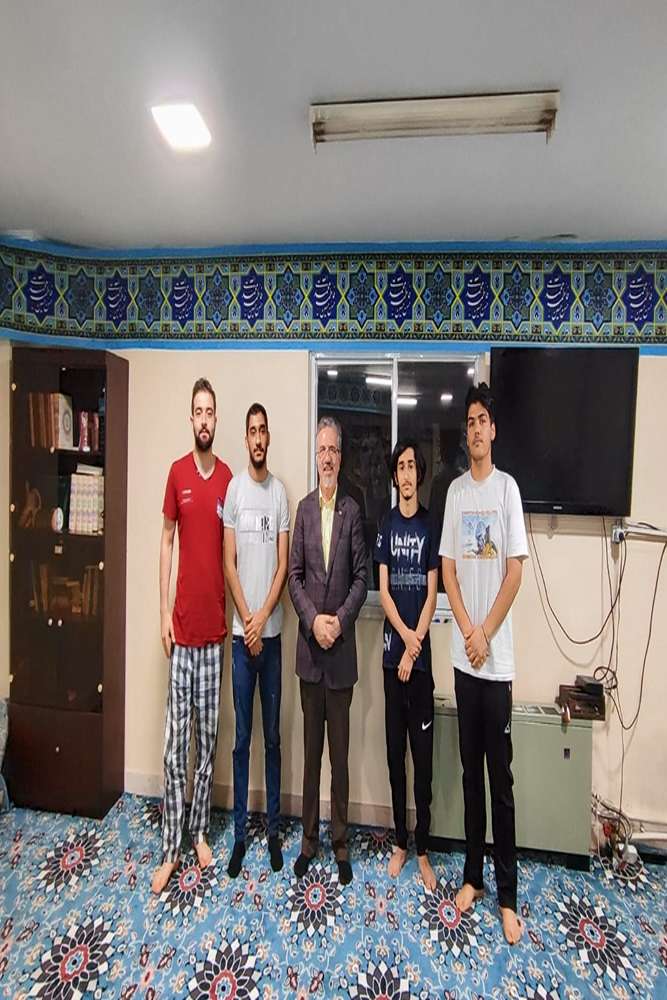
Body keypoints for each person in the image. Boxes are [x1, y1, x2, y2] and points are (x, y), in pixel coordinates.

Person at [440, 382, 528, 945]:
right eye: (469, 421)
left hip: (496, 664)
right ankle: (472, 876)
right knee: (471, 774)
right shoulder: (455, 493)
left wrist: (485, 633)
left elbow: (514, 571)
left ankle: (507, 895)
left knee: (501, 781)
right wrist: (468, 633)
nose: (475, 429)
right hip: (463, 659)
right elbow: (448, 569)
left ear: (493, 430)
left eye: (482, 421)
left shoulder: (507, 490)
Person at [152, 378, 232, 894]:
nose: (204, 420)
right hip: (181, 636)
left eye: (210, 412)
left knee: (206, 748)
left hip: (214, 636)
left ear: (216, 419)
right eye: (197, 411)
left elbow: (233, 555)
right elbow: (166, 542)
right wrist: (163, 612)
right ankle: (170, 849)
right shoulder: (177, 473)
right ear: (191, 419)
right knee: (173, 749)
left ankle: (199, 831)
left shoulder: (227, 479)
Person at [288, 415, 367, 885]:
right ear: (315, 456)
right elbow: (294, 577)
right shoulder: (302, 510)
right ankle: (308, 842)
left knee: (339, 760)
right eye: (322, 450)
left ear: (341, 455)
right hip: (309, 654)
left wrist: (337, 621)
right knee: (311, 757)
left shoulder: (353, 512)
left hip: (339, 658)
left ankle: (340, 844)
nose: (328, 457)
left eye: (334, 449)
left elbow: (361, 577)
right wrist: (312, 620)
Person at [223, 403, 289, 877]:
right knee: (242, 739)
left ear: (269, 436)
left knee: (272, 739)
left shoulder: (279, 493)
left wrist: (263, 617)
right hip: (240, 640)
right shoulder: (235, 490)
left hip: (273, 638)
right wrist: (248, 620)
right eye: (252, 431)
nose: (259, 438)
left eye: (264, 430)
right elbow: (228, 562)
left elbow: (283, 565)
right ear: (245, 438)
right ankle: (241, 836)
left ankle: (273, 834)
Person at [375, 440, 439, 889]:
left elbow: (433, 592)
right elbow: (383, 591)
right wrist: (404, 640)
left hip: (419, 664)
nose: (407, 474)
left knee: (423, 763)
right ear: (395, 477)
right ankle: (400, 841)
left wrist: (414, 648)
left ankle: (423, 849)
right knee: (395, 758)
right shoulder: (386, 523)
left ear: (419, 474)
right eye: (401, 467)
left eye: (413, 466)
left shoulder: (430, 525)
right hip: (391, 657)